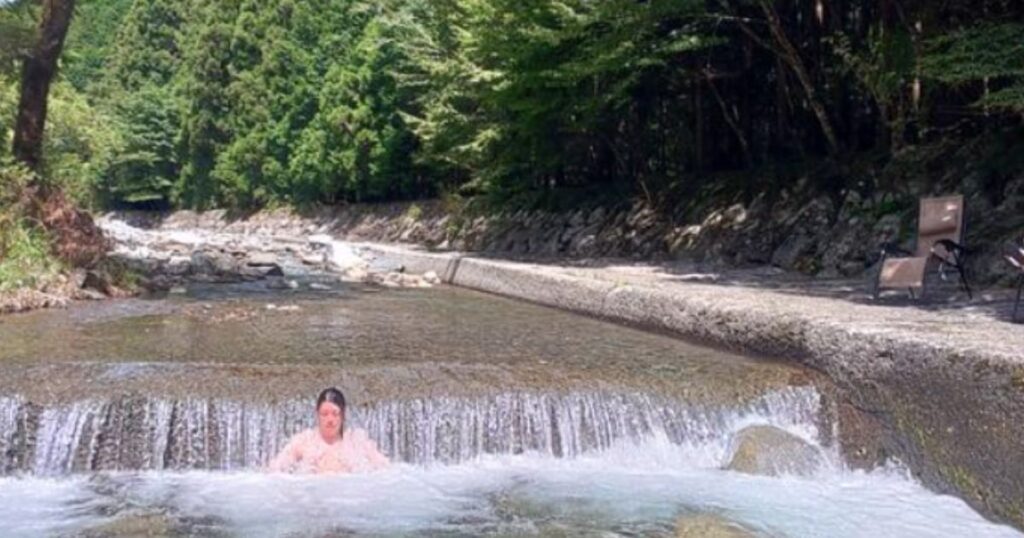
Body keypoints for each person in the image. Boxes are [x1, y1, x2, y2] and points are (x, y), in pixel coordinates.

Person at [268, 387, 390, 474]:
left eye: (335, 414)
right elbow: (275, 469)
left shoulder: (356, 441)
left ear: (343, 415)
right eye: (324, 414)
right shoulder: (304, 441)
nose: (330, 420)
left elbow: (386, 469)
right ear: (317, 415)